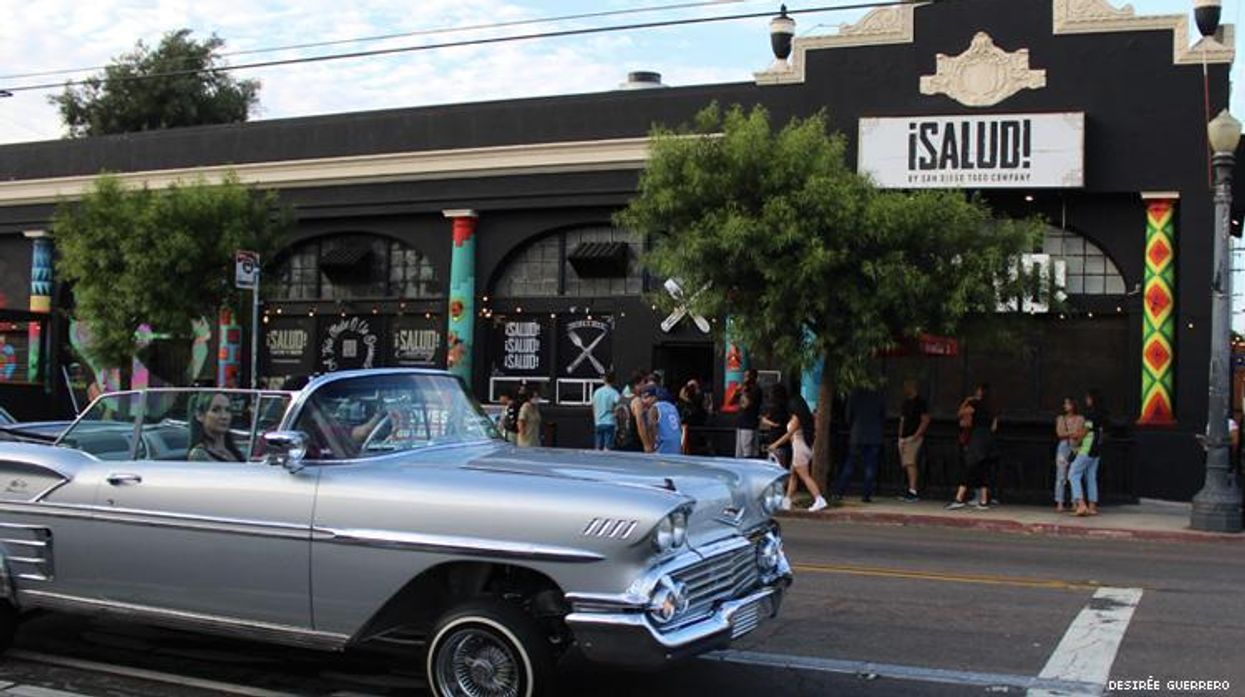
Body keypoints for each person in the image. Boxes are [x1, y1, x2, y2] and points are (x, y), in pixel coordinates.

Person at [769, 388, 827, 511]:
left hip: (799, 448)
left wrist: (775, 444)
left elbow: (789, 434)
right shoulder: (806, 417)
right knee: (793, 476)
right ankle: (786, 502)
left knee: (805, 476)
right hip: (801, 447)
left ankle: (819, 499)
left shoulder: (797, 418)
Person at [947, 383, 998, 510]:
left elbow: (961, 414)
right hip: (989, 439)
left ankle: (959, 498)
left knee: (969, 467)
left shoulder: (974, 405)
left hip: (977, 438)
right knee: (983, 469)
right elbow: (994, 426)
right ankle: (983, 500)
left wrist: (966, 401)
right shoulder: (992, 408)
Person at [835, 387, 885, 502]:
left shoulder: (854, 395)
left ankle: (839, 492)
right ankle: (866, 495)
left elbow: (848, 416)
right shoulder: (879, 396)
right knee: (870, 466)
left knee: (850, 464)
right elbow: (883, 416)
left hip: (857, 434)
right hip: (874, 435)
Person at [1068, 389, 1105, 516]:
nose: (1086, 400)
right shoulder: (1102, 413)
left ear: (1092, 399)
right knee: (1091, 476)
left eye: (1088, 398)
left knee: (1073, 473)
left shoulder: (1091, 414)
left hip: (1087, 448)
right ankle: (1092, 506)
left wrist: (1077, 439)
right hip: (1097, 449)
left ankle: (1080, 504)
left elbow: (1086, 430)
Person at [897, 379, 930, 502]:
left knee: (910, 463)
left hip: (913, 437)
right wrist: (900, 436)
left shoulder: (921, 402)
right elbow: (902, 420)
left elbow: (925, 420)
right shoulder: (905, 403)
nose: (905, 389)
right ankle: (908, 488)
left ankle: (913, 490)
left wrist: (916, 435)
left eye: (907, 386)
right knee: (906, 463)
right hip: (904, 437)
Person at [188, 392, 245, 462]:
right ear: (200, 415)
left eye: (227, 410)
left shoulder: (232, 450)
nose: (224, 416)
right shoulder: (200, 455)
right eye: (215, 410)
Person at [1053, 396, 1084, 512]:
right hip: (1064, 446)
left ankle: (1074, 502)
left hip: (1076, 447)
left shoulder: (1080, 418)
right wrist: (1072, 433)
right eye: (1065, 404)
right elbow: (1060, 433)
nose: (1065, 406)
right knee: (1061, 475)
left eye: (1068, 404)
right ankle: (1059, 502)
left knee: (1074, 474)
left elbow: (1081, 432)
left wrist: (1070, 433)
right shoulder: (1060, 418)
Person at [641, 384, 682, 454]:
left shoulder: (653, 409)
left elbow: (651, 427)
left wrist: (650, 447)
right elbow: (679, 427)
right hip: (677, 449)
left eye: (646, 398)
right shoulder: (673, 407)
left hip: (663, 451)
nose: (643, 401)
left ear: (654, 397)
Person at [732, 369, 763, 458]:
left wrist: (744, 392)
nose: (745, 378)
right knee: (739, 453)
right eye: (744, 376)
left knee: (747, 451)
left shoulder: (756, 390)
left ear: (754, 377)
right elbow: (732, 401)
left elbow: (746, 404)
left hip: (749, 424)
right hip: (741, 423)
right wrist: (736, 391)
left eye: (747, 376)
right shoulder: (744, 389)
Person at [760, 384, 792, 468]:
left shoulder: (776, 408)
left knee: (775, 464)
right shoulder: (786, 408)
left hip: (775, 438)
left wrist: (766, 420)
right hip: (782, 440)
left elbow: (773, 422)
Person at [591, 372, 622, 450]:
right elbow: (619, 407)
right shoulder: (614, 393)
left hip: (598, 422)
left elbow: (594, 407)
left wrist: (596, 419)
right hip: (610, 422)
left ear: (604, 379)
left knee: (598, 448)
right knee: (607, 449)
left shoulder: (597, 392)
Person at [678, 379, 708, 454]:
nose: (690, 389)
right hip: (687, 425)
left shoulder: (699, 395)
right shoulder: (686, 399)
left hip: (697, 424)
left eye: (692, 386)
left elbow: (696, 406)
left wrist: (684, 398)